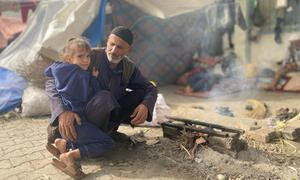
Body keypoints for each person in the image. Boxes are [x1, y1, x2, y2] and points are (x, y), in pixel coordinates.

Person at [46, 26, 157, 145]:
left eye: (120, 47)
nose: (114, 50)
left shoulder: (128, 68)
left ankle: (106, 133)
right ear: (107, 42)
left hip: (109, 113)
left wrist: (145, 105)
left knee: (140, 94)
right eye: (112, 44)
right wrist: (62, 111)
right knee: (105, 97)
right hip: (82, 114)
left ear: (128, 50)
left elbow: (150, 87)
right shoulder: (87, 56)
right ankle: (72, 136)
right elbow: (52, 80)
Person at [44, 37, 115, 178]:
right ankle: (70, 155)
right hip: (78, 121)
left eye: (88, 56)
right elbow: (87, 95)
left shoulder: (58, 69)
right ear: (69, 58)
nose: (86, 60)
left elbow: (51, 77)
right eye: (80, 56)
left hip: (71, 123)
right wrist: (93, 79)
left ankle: (63, 143)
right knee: (107, 142)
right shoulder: (80, 75)